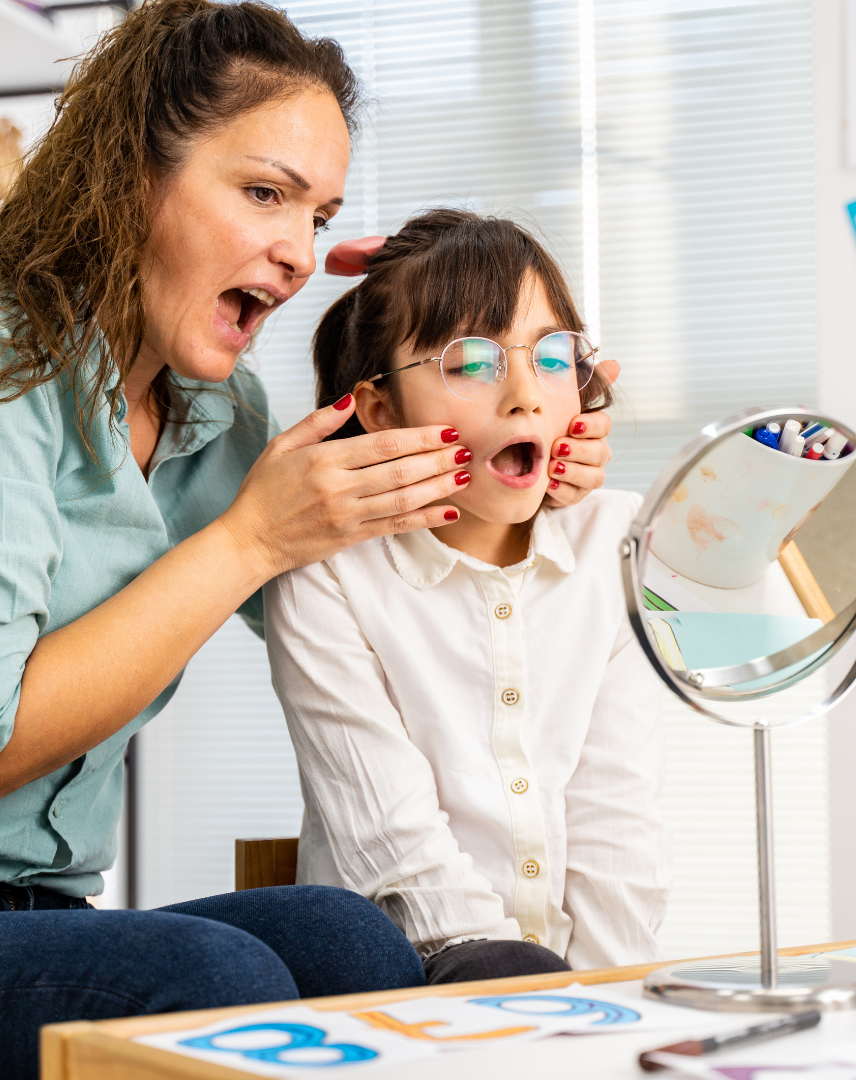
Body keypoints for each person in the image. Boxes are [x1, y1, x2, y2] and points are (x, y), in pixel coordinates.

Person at [0, 2, 613, 1073]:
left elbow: (370, 617)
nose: (293, 251)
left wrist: (515, 472)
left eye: (317, 216)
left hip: (46, 906)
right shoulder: (6, 364)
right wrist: (246, 544)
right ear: (130, 173)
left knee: (345, 937)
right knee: (219, 983)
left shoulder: (215, 419)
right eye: (265, 193)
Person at [265, 209, 671, 985]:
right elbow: (389, 839)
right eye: (471, 363)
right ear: (380, 408)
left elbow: (619, 821)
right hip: (394, 979)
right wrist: (529, 999)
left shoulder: (616, 542)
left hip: (570, 1003)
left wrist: (614, 1005)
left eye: (553, 356)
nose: (524, 394)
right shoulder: (329, 569)